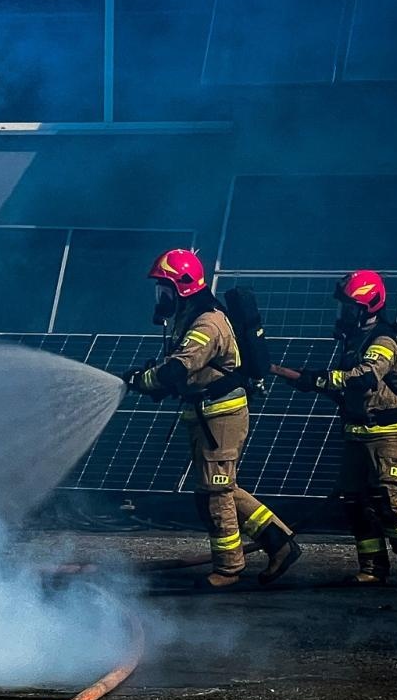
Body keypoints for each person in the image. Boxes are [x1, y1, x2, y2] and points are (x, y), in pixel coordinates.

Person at [124, 249, 301, 590]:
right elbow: (182, 370)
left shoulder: (207, 323)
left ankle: (229, 568)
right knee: (221, 487)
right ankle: (280, 543)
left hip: (220, 417)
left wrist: (143, 381)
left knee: (215, 493)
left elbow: (179, 366)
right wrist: (153, 379)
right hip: (206, 415)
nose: (160, 297)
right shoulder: (189, 315)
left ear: (183, 288)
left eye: (165, 288)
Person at [291, 270, 397, 583]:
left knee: (386, 496)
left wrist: (323, 377)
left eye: (349, 306)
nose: (343, 313)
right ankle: (372, 566)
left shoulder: (385, 340)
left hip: (386, 432)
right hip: (355, 433)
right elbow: (344, 386)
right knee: (355, 502)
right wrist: (312, 382)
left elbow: (364, 377)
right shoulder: (353, 341)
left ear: (366, 307)